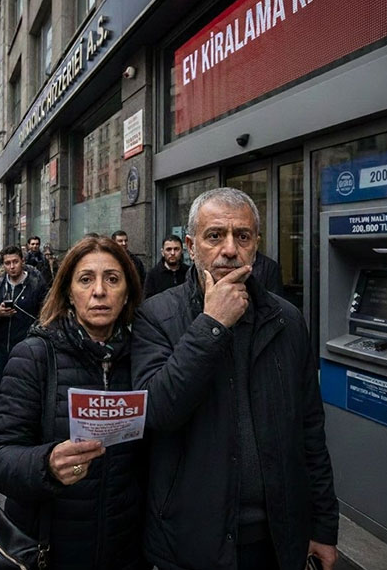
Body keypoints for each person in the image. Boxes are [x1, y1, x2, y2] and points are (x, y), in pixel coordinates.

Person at [132, 187, 338, 570]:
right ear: (192, 246)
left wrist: (324, 525)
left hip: (277, 539)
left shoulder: (287, 320)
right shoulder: (155, 317)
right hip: (192, 540)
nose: (230, 249)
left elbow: (310, 430)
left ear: (256, 245)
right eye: (215, 236)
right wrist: (211, 326)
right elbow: (156, 412)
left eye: (242, 236)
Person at [0, 235, 148, 570]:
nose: (99, 291)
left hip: (125, 546)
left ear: (128, 292)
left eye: (112, 279)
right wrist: (47, 464)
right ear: (69, 294)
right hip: (51, 546)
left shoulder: (145, 358)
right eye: (86, 279)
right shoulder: (34, 355)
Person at [0, 245, 47, 382]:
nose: (12, 266)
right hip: (2, 348)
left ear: (22, 261)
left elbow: (46, 314)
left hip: (28, 347)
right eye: (7, 263)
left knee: (25, 387)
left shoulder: (36, 285)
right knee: (5, 385)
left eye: (15, 262)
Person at [143, 234, 190, 299]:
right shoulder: (153, 275)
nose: (172, 253)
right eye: (169, 249)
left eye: (176, 249)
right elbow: (148, 301)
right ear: (162, 252)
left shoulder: (189, 272)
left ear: (182, 251)